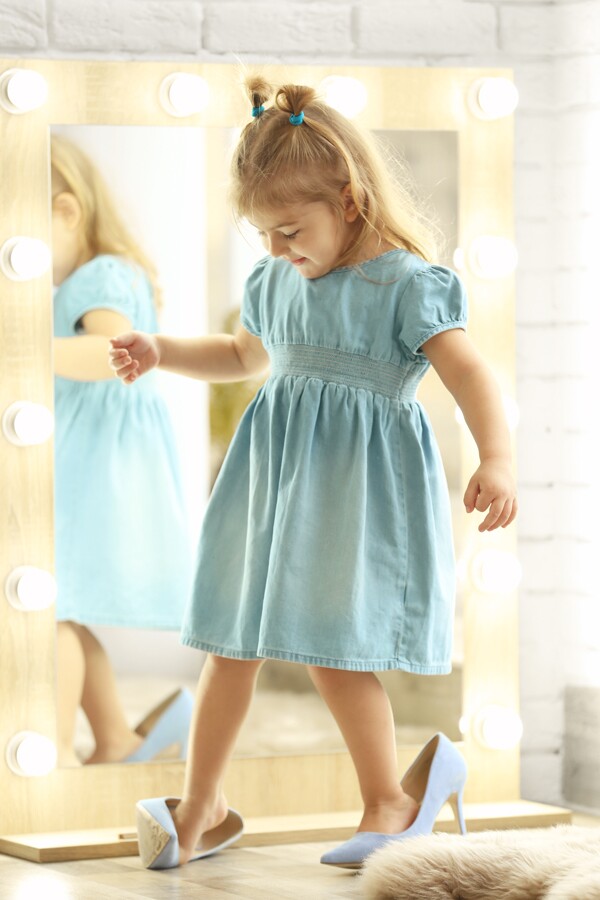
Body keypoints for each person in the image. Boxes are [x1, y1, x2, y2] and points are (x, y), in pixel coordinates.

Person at [109, 77, 517, 870]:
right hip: (270, 483)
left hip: (356, 491)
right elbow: (241, 356)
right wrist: (163, 351)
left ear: (351, 200)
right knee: (230, 639)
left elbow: (470, 375)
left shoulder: (403, 284)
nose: (275, 249)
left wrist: (496, 456)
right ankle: (202, 806)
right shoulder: (276, 280)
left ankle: (391, 798)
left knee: (337, 649)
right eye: (262, 233)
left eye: (289, 228)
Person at [51, 135, 193, 767]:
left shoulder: (97, 277)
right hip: (101, 461)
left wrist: (23, 350)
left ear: (66, 211)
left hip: (93, 468)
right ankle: (115, 739)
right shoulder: (99, 275)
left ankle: (49, 754)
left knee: (43, 614)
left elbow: (115, 355)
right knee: (60, 610)